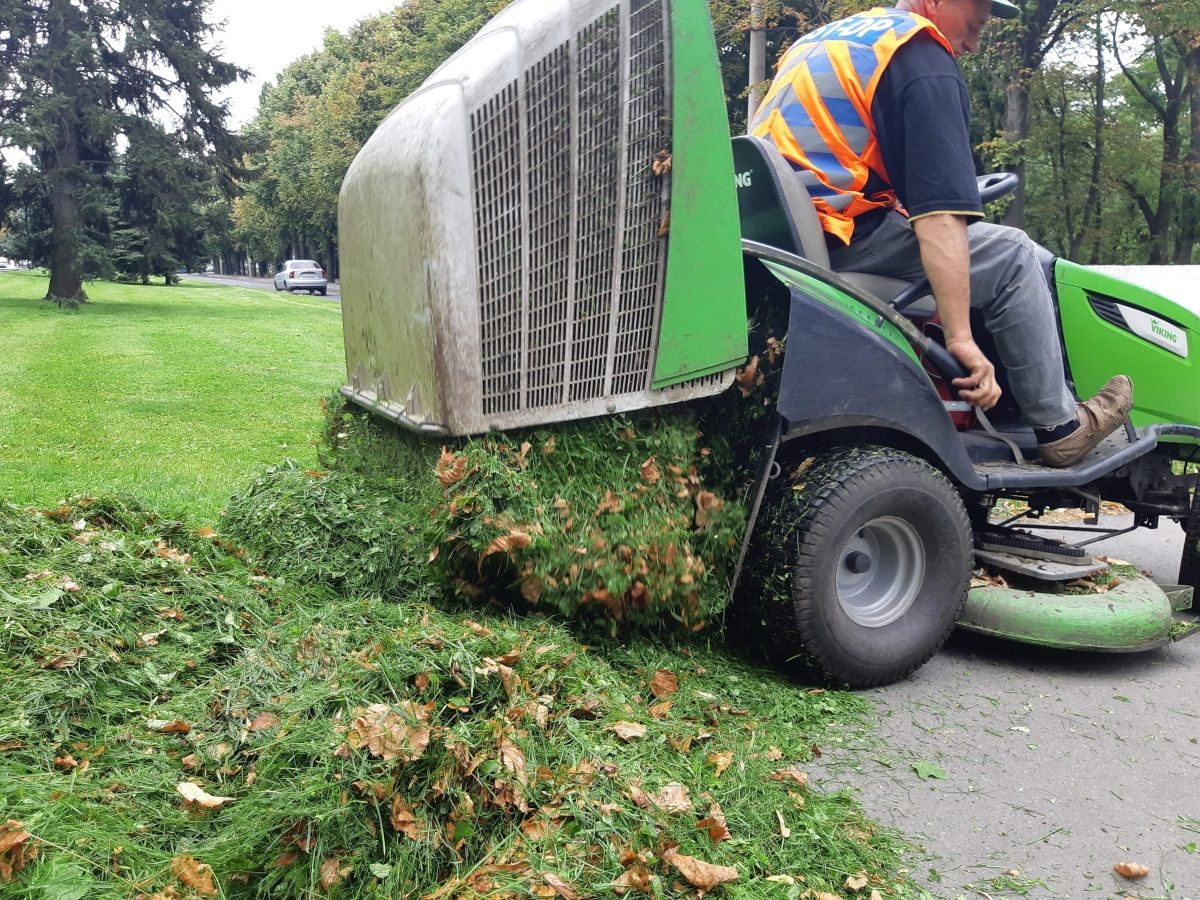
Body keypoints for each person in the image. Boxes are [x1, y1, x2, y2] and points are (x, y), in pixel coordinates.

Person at [750, 0, 1132, 468]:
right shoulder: (917, 54)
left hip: (788, 238)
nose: (972, 44)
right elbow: (939, 216)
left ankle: (1020, 402)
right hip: (844, 238)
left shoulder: (829, 42)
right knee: (1013, 254)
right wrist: (961, 339)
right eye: (974, 25)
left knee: (1018, 250)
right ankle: (1060, 426)